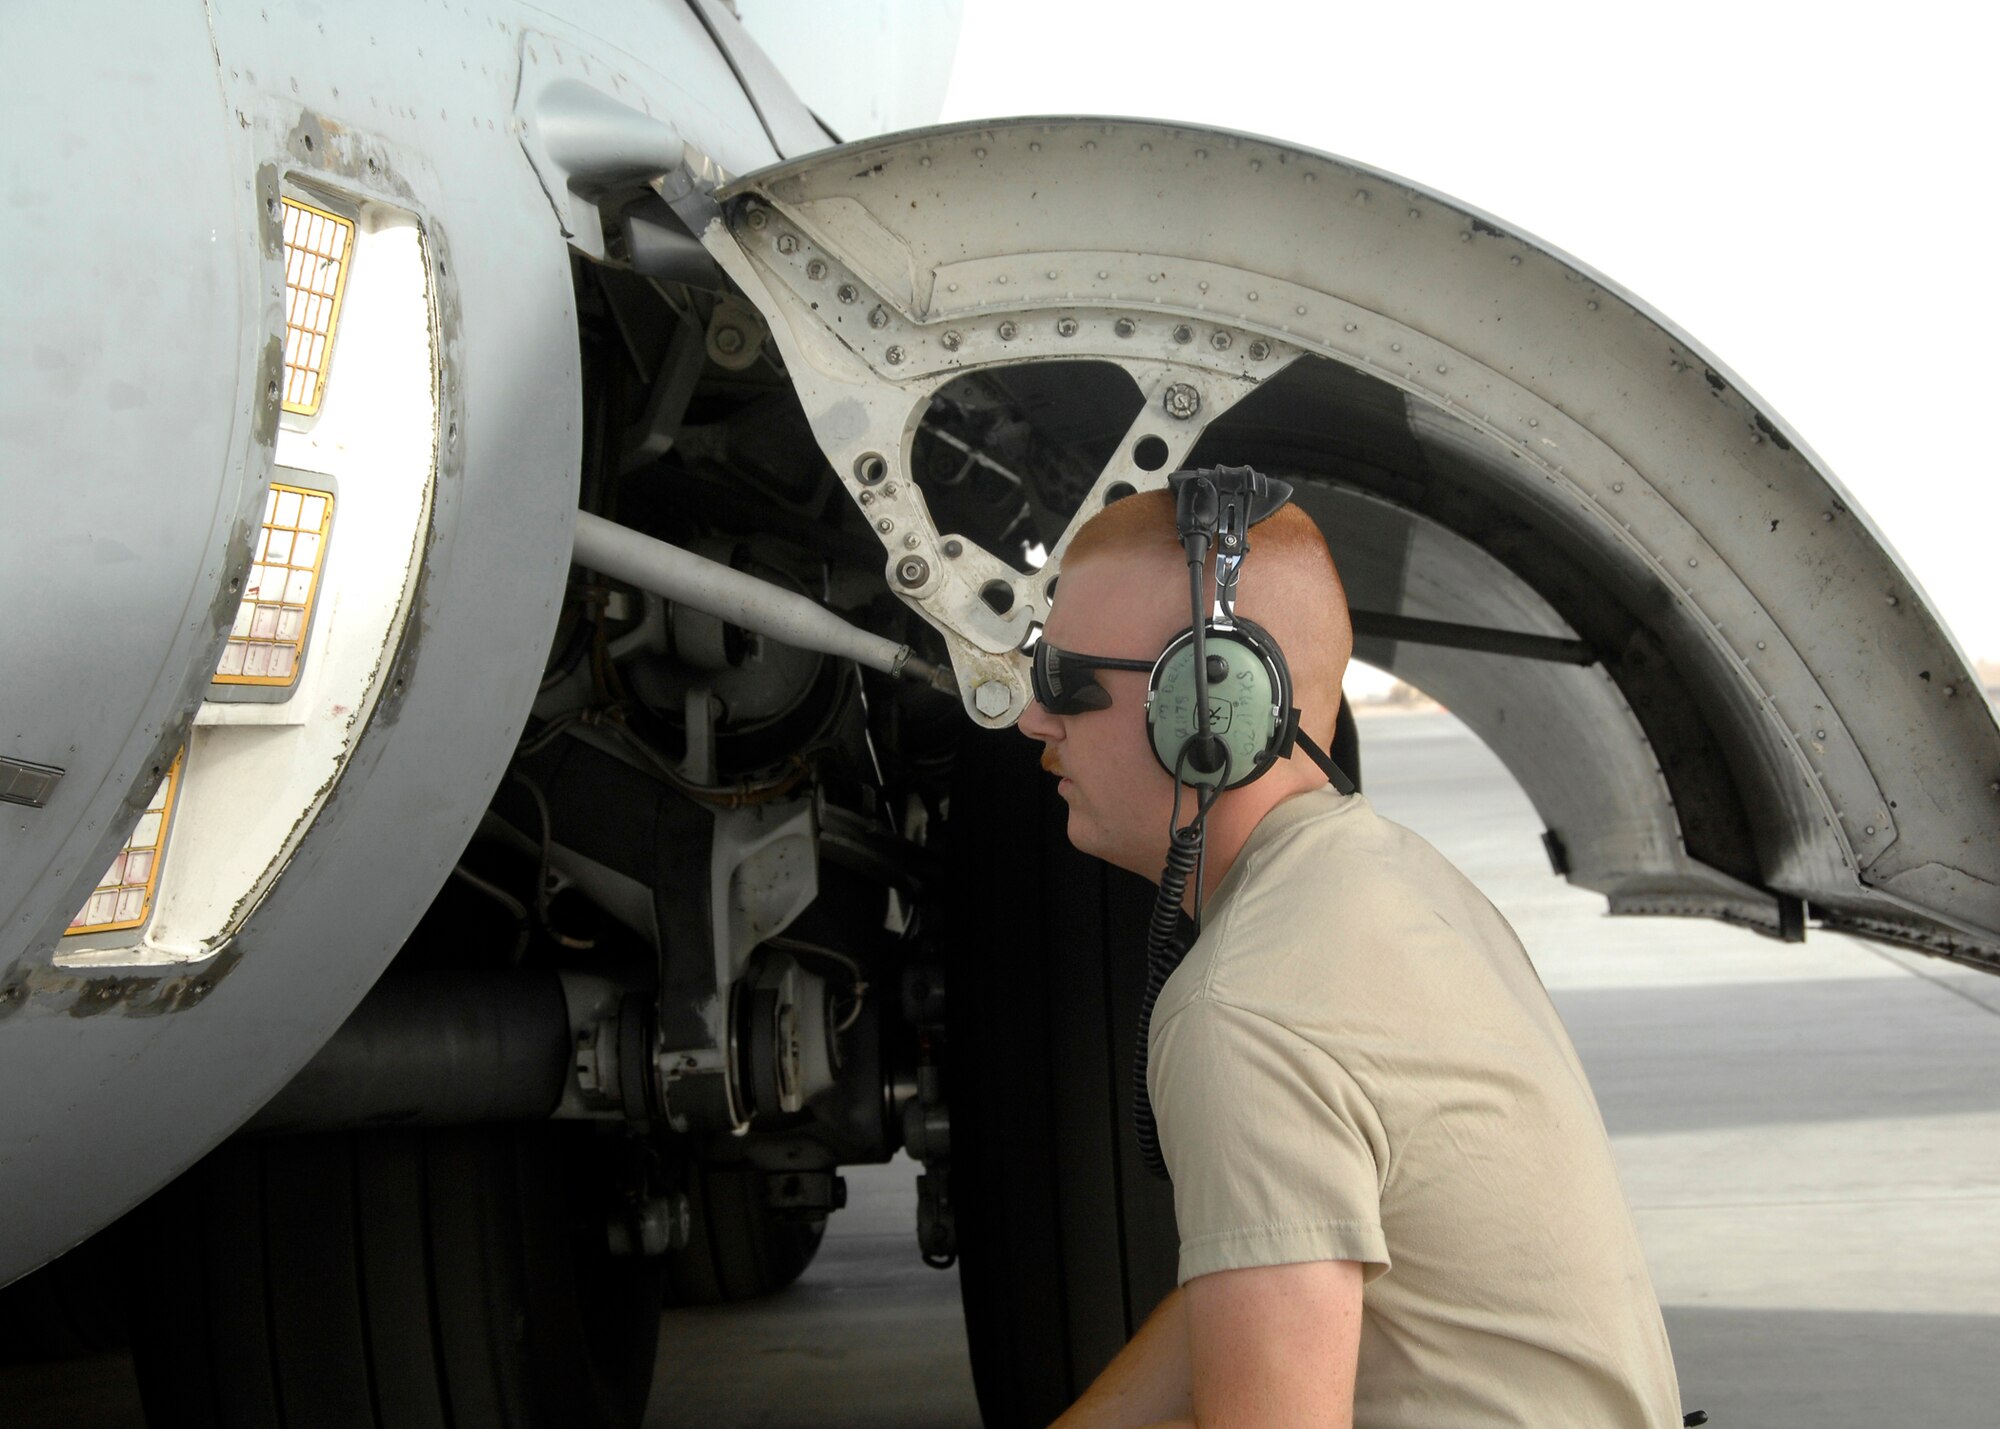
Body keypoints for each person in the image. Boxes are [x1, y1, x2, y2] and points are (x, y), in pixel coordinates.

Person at [1015, 487, 1683, 1428]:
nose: (1033, 722)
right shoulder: (1402, 882)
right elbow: (1266, 1260)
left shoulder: (1242, 1010)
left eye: (1067, 681)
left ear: (1216, 710)